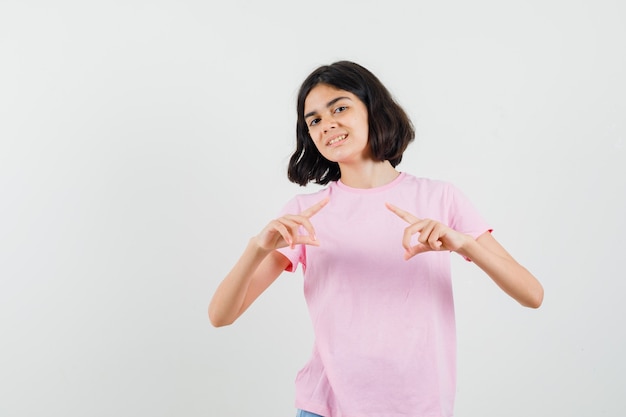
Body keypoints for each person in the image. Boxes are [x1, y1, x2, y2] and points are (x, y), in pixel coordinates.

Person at [208, 61, 543, 417]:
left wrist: (464, 244)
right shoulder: (305, 213)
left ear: (373, 110)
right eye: (314, 120)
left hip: (420, 407)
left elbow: (531, 294)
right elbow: (221, 315)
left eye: (340, 107)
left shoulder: (440, 199)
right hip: (325, 407)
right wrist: (256, 248)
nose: (328, 124)